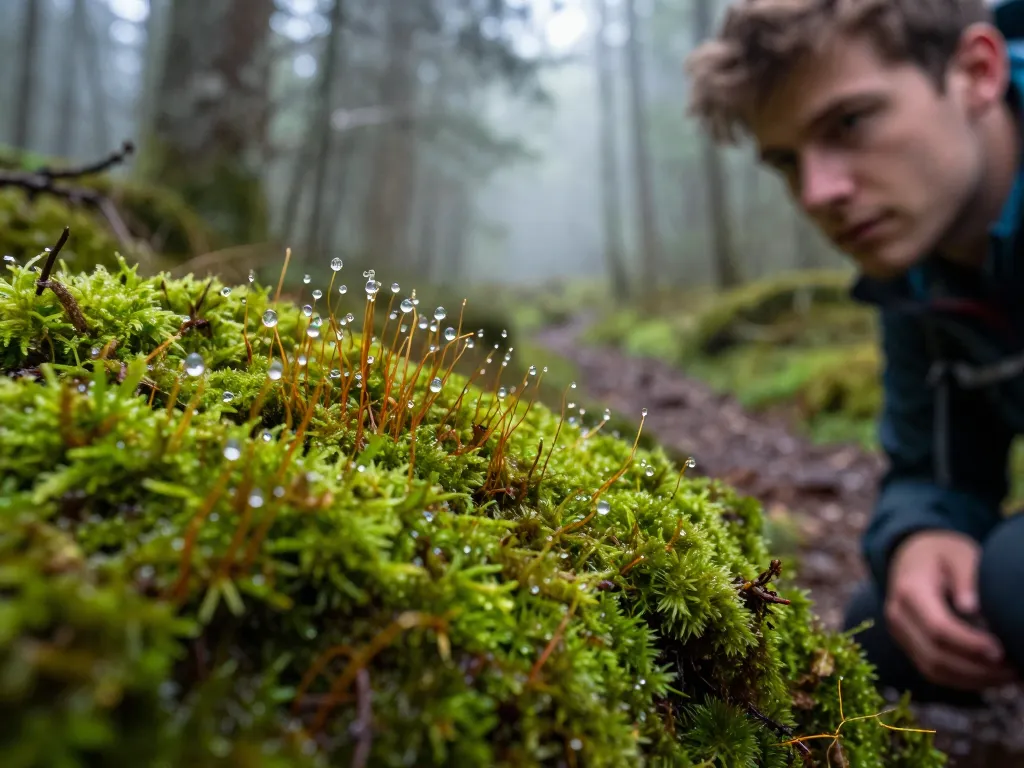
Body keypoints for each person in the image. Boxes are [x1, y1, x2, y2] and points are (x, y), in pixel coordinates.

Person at [685, 0, 1024, 706]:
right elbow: (933, 466)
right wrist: (922, 533)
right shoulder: (920, 264)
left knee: (1008, 578)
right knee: (886, 629)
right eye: (787, 162)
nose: (818, 193)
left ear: (976, 73)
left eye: (850, 123)